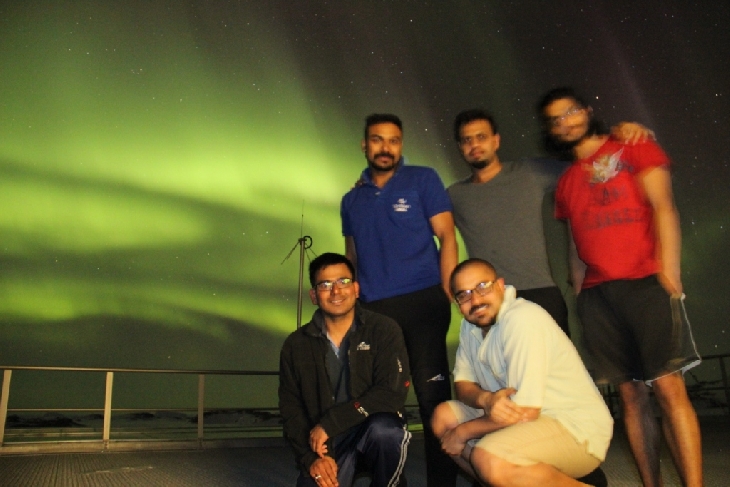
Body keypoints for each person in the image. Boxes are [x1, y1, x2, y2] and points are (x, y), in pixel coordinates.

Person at [538, 86, 703, 487]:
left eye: (571, 112)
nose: (565, 123)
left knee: (669, 388)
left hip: (646, 283)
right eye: (555, 120)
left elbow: (664, 205)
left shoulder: (634, 146)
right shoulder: (567, 181)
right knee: (631, 397)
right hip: (599, 297)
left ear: (587, 110)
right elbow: (575, 243)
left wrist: (670, 272)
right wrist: (580, 292)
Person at [448, 109, 653, 336]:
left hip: (540, 293)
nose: (475, 145)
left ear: (496, 141)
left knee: (558, 359)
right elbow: (438, 234)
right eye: (467, 140)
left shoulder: (529, 173)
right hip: (491, 302)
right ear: (460, 147)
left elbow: (585, 160)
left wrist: (619, 135)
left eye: (481, 137)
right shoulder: (453, 196)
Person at [341, 113, 459, 486]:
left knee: (433, 398)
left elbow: (447, 236)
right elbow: (352, 255)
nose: (386, 147)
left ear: (401, 145)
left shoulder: (423, 179)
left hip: (423, 304)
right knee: (379, 404)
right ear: (365, 145)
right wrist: (351, 303)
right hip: (375, 311)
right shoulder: (350, 200)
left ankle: (443, 483)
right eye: (377, 139)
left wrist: (446, 292)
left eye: (393, 140)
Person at [432, 258, 613, 486]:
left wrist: (463, 432)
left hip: (574, 427)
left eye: (482, 287)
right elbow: (463, 385)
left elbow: (525, 411)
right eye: (464, 295)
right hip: (527, 422)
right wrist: (486, 399)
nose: (475, 300)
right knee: (444, 418)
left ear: (500, 285)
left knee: (488, 459)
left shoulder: (522, 319)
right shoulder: (470, 327)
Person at [278, 252, 411, 487]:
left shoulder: (383, 329)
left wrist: (330, 423)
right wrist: (311, 459)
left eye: (343, 281)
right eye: (325, 284)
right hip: (326, 445)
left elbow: (390, 393)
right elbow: (291, 410)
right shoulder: (296, 345)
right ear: (313, 295)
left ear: (356, 289)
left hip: (370, 431)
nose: (336, 291)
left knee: (387, 432)